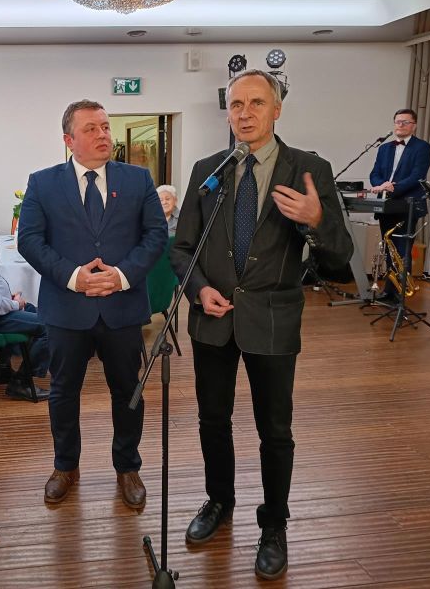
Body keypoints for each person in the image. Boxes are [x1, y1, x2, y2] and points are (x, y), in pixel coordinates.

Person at [171, 70, 353, 580]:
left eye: (256, 103)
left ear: (277, 109)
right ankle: (218, 501)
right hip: (213, 319)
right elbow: (182, 248)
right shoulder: (209, 170)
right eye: (236, 104)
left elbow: (341, 259)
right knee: (212, 421)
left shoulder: (308, 169)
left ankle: (274, 525)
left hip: (273, 318)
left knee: (275, 430)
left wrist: (316, 221)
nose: (245, 113)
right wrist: (198, 289)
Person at [17, 99, 166, 511]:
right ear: (69, 140)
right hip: (67, 308)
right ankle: (65, 466)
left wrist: (120, 276)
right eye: (91, 129)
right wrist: (73, 276)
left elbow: (156, 235)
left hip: (122, 306)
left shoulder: (137, 179)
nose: (103, 135)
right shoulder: (43, 183)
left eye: (105, 127)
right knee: (63, 391)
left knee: (128, 390)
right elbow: (30, 240)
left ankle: (128, 467)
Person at [369, 108, 430, 303]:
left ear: (414, 126)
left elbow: (417, 175)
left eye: (405, 122)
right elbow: (375, 173)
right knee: (389, 250)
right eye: (398, 121)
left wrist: (393, 187)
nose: (401, 125)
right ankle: (389, 290)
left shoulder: (422, 147)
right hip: (387, 205)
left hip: (408, 205)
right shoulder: (384, 148)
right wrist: (380, 185)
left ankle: (400, 294)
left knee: (402, 251)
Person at [0, 269, 49, 400]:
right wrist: (15, 304)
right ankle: (21, 382)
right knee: (49, 327)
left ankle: (2, 369)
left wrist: (8, 299)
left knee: (32, 308)